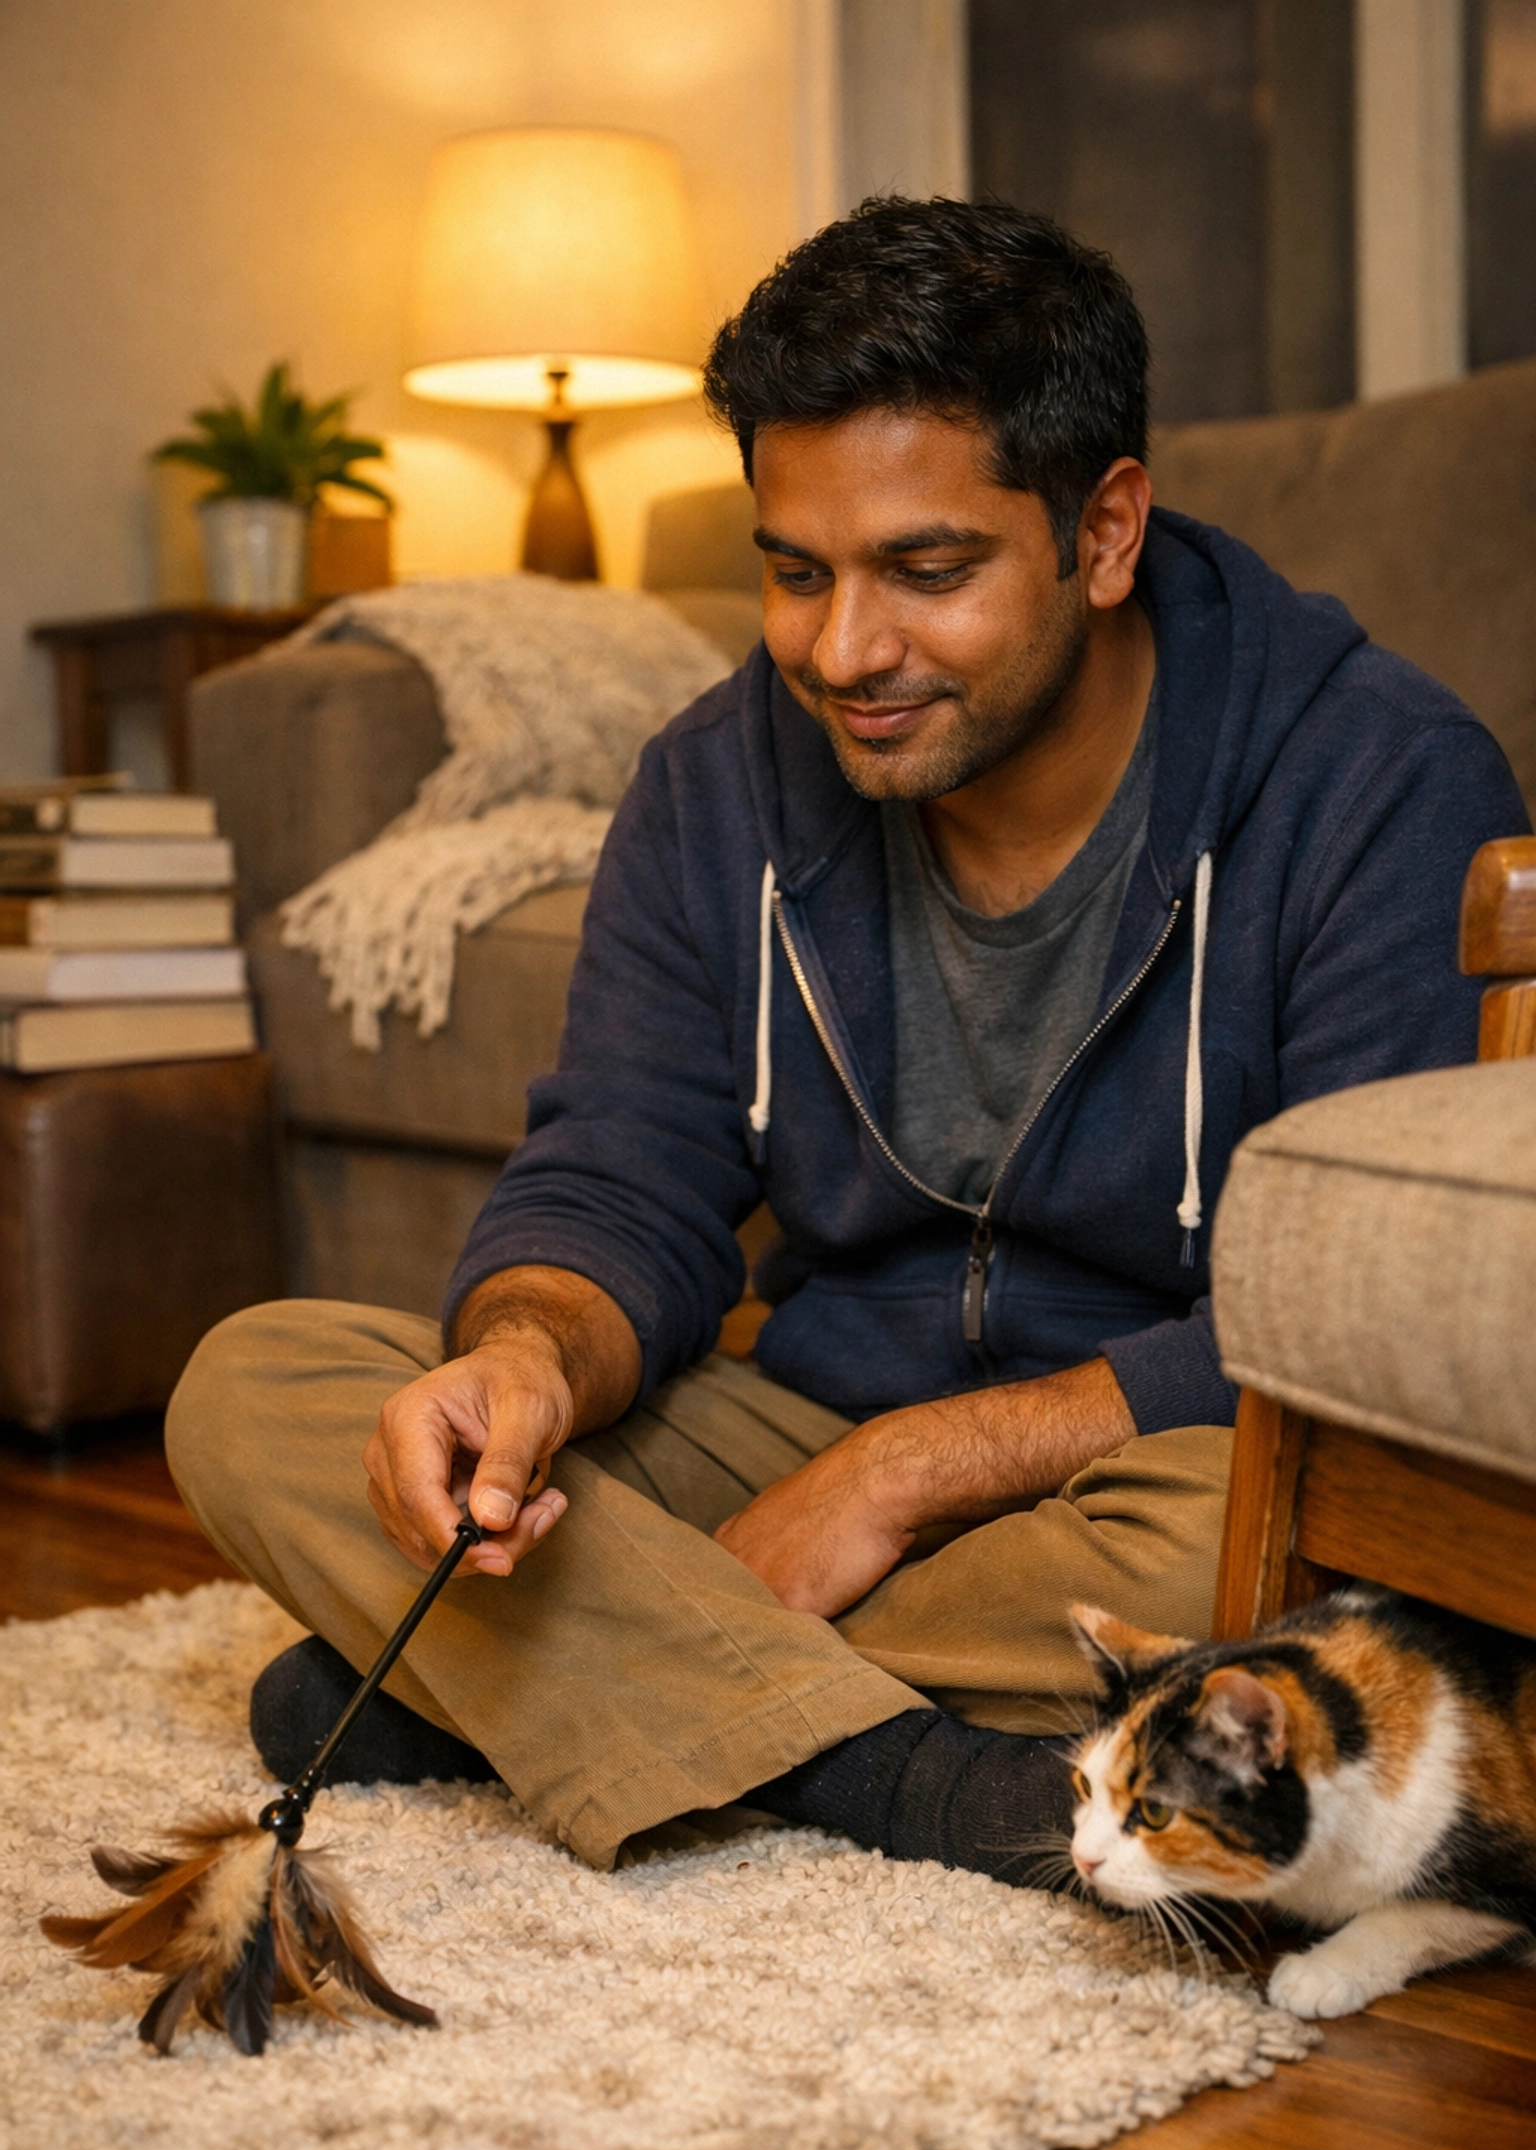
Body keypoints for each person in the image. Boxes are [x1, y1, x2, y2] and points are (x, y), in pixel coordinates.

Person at [167, 198, 1528, 1881]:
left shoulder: (1380, 784)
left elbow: (1367, 1318)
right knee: (259, 1390)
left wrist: (903, 1475)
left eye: (928, 572)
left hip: (1142, 1460)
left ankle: (505, 1687)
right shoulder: (712, 780)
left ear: (1105, 533)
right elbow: (620, 1170)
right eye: (795, 572)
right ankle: (901, 1774)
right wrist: (527, 1356)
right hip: (801, 1421)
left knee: (1258, 1557)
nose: (844, 652)